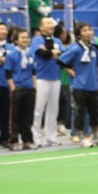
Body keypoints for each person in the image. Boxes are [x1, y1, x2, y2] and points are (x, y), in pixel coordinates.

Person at [60, 22, 98, 148]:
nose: (88, 32)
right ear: (79, 34)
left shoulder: (94, 48)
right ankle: (82, 136)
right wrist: (73, 73)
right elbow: (62, 62)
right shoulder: (75, 49)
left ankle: (96, 135)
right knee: (80, 112)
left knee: (94, 112)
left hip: (93, 85)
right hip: (79, 86)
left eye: (90, 29)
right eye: (84, 30)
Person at [30, 18, 63, 148]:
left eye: (52, 24)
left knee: (53, 109)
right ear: (41, 27)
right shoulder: (37, 40)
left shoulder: (57, 41)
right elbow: (40, 53)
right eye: (48, 23)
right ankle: (36, 137)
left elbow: (61, 54)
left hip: (55, 77)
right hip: (41, 77)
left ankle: (51, 136)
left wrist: (49, 52)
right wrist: (51, 53)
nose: (51, 26)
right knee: (38, 109)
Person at [5, 29, 35, 150]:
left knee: (28, 116)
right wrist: (13, 87)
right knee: (15, 116)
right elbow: (8, 72)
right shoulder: (11, 55)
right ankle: (14, 140)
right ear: (16, 40)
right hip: (17, 87)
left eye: (27, 37)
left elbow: (33, 71)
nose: (25, 40)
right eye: (22, 38)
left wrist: (34, 86)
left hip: (29, 88)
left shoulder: (30, 54)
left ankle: (27, 140)